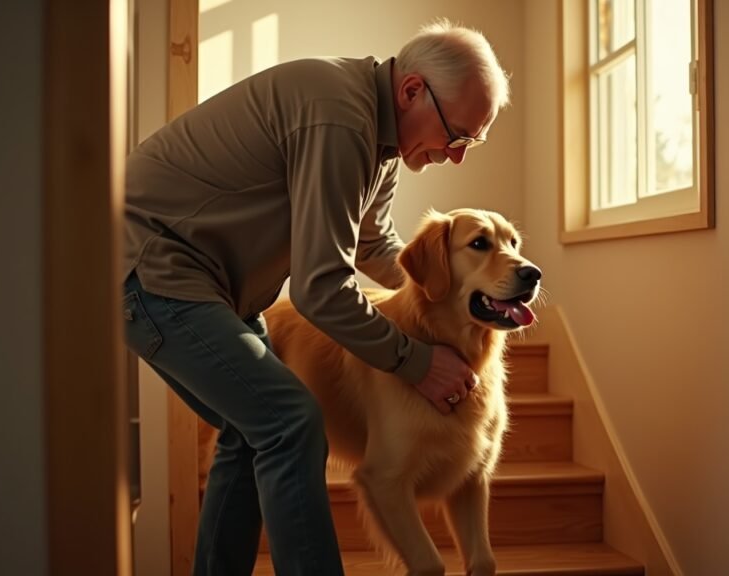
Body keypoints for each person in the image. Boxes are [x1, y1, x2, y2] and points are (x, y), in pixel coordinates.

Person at [121, 18, 511, 576]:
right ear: (411, 91)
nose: (457, 156)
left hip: (210, 285)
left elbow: (374, 246)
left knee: (249, 430)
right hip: (151, 266)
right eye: (457, 136)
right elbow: (320, 288)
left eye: (471, 142)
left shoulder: (379, 142)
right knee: (289, 420)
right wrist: (418, 361)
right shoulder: (339, 118)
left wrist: (450, 301)